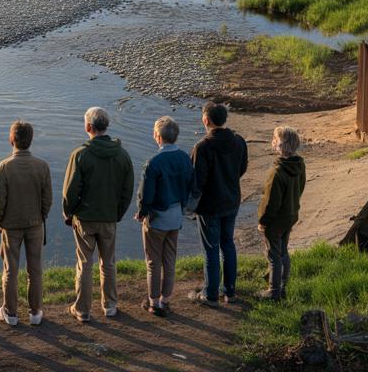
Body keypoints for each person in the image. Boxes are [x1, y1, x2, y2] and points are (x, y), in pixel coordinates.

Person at [62, 107, 134, 322]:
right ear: (106, 126)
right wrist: (117, 213)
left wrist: (69, 213)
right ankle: (110, 305)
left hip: (85, 218)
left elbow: (70, 191)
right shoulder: (122, 155)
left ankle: (83, 310)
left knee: (84, 263)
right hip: (109, 218)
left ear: (88, 127)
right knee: (108, 262)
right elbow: (127, 191)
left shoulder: (80, 154)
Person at [0, 119, 53, 326]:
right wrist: (41, 215)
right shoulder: (42, 166)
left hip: (11, 225)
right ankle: (35, 312)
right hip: (35, 223)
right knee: (35, 269)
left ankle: (10, 313)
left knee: (10, 269)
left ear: (12, 140)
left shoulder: (4, 166)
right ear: (31, 140)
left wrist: (0, 220)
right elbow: (48, 199)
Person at [187, 102, 248, 307]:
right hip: (231, 200)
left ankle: (210, 294)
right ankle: (229, 292)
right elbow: (242, 168)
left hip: (210, 205)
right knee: (228, 245)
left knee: (211, 249)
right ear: (224, 119)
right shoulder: (239, 141)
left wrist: (189, 206)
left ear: (206, 120)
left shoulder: (202, 147)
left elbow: (197, 181)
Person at [134, 117, 195, 318]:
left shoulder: (154, 163)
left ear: (157, 137)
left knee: (153, 261)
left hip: (158, 218)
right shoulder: (185, 158)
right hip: (176, 216)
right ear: (175, 136)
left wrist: (141, 212)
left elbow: (146, 193)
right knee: (170, 260)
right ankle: (166, 300)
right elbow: (189, 186)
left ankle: (153, 302)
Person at [256, 127, 305, 301]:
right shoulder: (299, 165)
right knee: (283, 251)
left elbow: (270, 203)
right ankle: (282, 287)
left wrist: (263, 221)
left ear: (280, 145)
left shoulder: (277, 173)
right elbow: (301, 188)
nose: (272, 141)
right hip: (290, 215)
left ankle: (273, 291)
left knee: (273, 255)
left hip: (276, 220)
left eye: (274, 139)